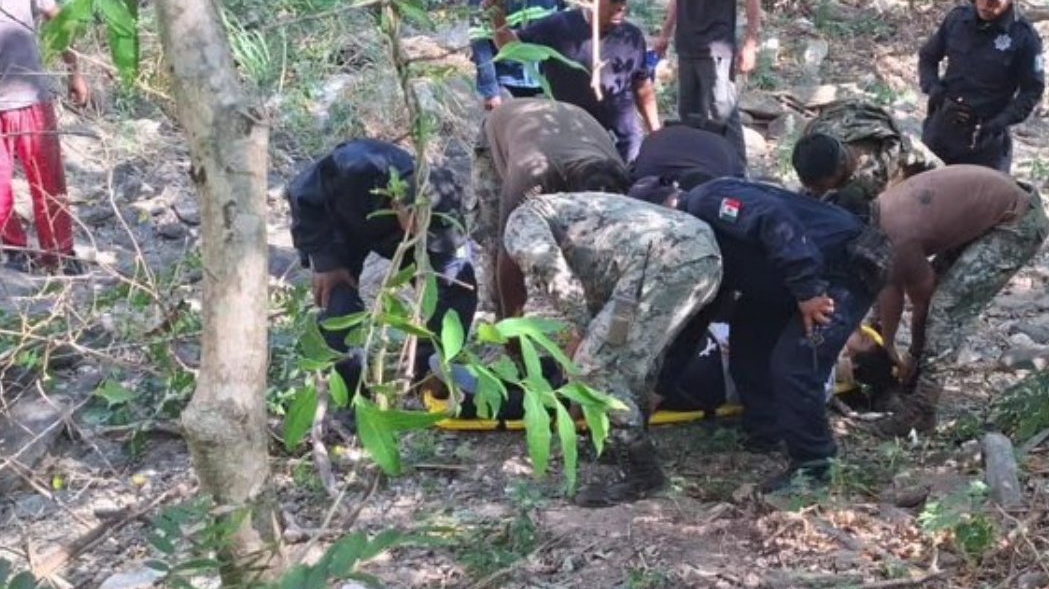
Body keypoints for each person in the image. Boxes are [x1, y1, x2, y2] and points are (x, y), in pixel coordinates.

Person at [630, 176, 889, 492]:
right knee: (748, 348)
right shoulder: (696, 250)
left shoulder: (706, 200)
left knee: (796, 364)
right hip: (782, 283)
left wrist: (807, 290)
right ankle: (769, 429)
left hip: (841, 266)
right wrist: (660, 389)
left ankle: (815, 465)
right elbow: (695, 321)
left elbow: (773, 218)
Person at [504, 191, 722, 506]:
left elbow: (554, 276)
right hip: (688, 253)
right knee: (626, 358)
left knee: (594, 366)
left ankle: (643, 474)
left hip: (667, 261)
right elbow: (599, 291)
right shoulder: (565, 210)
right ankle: (620, 439)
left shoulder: (521, 223)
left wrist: (578, 335)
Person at [860, 165, 1049, 437]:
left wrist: (914, 353)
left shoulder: (897, 235)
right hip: (993, 212)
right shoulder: (876, 219)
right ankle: (917, 384)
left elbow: (923, 301)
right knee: (938, 298)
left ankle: (922, 409)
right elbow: (890, 286)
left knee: (946, 308)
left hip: (1016, 222)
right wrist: (888, 344)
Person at [286, 139, 477, 392]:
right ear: (398, 205)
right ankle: (351, 394)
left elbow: (452, 254)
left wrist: (437, 263)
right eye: (425, 226)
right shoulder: (355, 165)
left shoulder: (445, 196)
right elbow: (301, 194)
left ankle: (432, 368)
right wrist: (325, 261)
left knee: (456, 285)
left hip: (402, 236)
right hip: (342, 228)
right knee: (339, 304)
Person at [469, 98, 630, 317]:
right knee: (497, 240)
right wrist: (514, 338)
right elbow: (509, 254)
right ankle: (496, 316)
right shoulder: (531, 176)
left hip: (566, 119)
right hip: (505, 128)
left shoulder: (616, 174)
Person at [490, 0, 660, 161]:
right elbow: (511, 47)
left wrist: (656, 132)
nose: (621, 5)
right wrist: (497, 16)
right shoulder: (559, 27)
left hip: (624, 142)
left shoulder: (632, 36)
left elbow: (642, 85)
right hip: (573, 138)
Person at [0, 0, 89, 274]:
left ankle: (60, 254)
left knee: (48, 181)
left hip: (31, 97)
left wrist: (75, 70)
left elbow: (58, 19)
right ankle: (13, 249)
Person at [653, 0, 762, 164]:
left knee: (722, 110)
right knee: (689, 114)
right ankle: (698, 168)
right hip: (687, 42)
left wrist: (750, 43)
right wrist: (665, 34)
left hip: (717, 44)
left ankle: (738, 171)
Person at [918, 0, 1045, 173]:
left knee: (983, 202)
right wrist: (933, 89)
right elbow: (928, 56)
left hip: (985, 139)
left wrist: (1001, 121)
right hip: (942, 127)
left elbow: (1032, 90)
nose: (986, 3)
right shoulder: (958, 20)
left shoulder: (1024, 37)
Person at [791, 99, 942, 201]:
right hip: (860, 119)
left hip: (911, 165)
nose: (815, 190)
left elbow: (937, 168)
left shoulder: (875, 172)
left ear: (840, 169)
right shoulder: (819, 132)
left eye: (820, 186)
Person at [629, 118, 745, 185]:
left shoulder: (657, 136)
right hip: (709, 194)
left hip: (648, 187)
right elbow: (740, 182)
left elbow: (637, 167)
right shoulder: (726, 146)